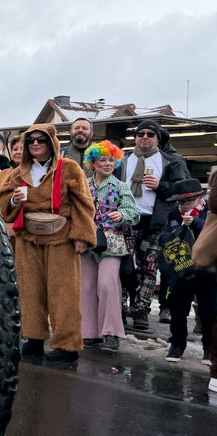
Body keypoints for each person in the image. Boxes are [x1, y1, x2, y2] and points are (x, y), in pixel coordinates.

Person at [0, 124, 96, 361]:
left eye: (40, 140)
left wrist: (82, 236)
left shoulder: (69, 168)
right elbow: (3, 204)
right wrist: (13, 200)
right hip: (28, 239)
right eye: (30, 140)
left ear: (51, 143)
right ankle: (33, 339)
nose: (35, 144)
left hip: (60, 238)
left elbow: (83, 204)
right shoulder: (18, 173)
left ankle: (68, 345)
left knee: (64, 292)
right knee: (30, 290)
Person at [116, 119, 188, 329]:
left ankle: (141, 310)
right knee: (123, 267)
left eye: (150, 134)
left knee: (148, 268)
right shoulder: (122, 160)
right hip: (126, 221)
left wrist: (160, 186)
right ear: (135, 137)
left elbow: (182, 191)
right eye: (141, 134)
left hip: (154, 222)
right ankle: (119, 308)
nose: (145, 137)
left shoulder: (169, 161)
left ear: (157, 138)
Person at [79, 141, 140, 352]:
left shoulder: (121, 186)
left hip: (112, 241)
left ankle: (112, 332)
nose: (107, 163)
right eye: (102, 160)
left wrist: (122, 214)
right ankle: (89, 332)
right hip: (87, 239)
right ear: (92, 163)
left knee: (107, 284)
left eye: (111, 160)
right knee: (86, 286)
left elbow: (134, 213)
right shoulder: (83, 185)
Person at [160, 179, 214, 363]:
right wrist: (178, 231)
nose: (183, 205)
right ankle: (177, 345)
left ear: (200, 198)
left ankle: (209, 348)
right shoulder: (174, 214)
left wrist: (197, 223)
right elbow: (163, 237)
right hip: (181, 269)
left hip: (206, 269)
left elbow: (212, 236)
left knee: (208, 311)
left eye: (188, 201)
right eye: (180, 202)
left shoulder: (210, 212)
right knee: (178, 308)